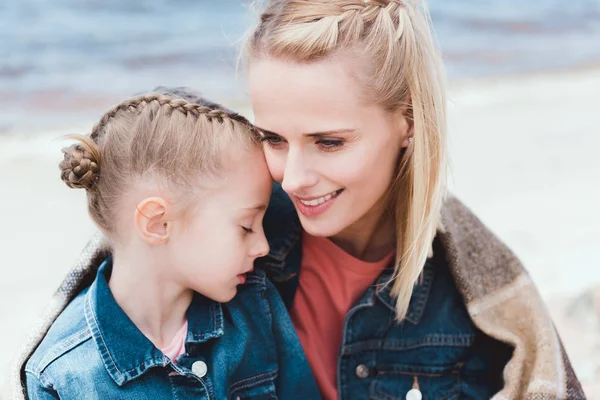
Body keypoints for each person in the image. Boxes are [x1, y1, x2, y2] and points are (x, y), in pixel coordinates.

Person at [11, 1, 585, 399]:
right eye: (273, 139)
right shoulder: (217, 230)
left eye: (329, 141)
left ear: (408, 122)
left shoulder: (480, 302)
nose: (295, 178)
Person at [21, 88, 320, 400]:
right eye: (246, 227)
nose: (263, 246)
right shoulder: (64, 375)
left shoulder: (255, 308)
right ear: (158, 224)